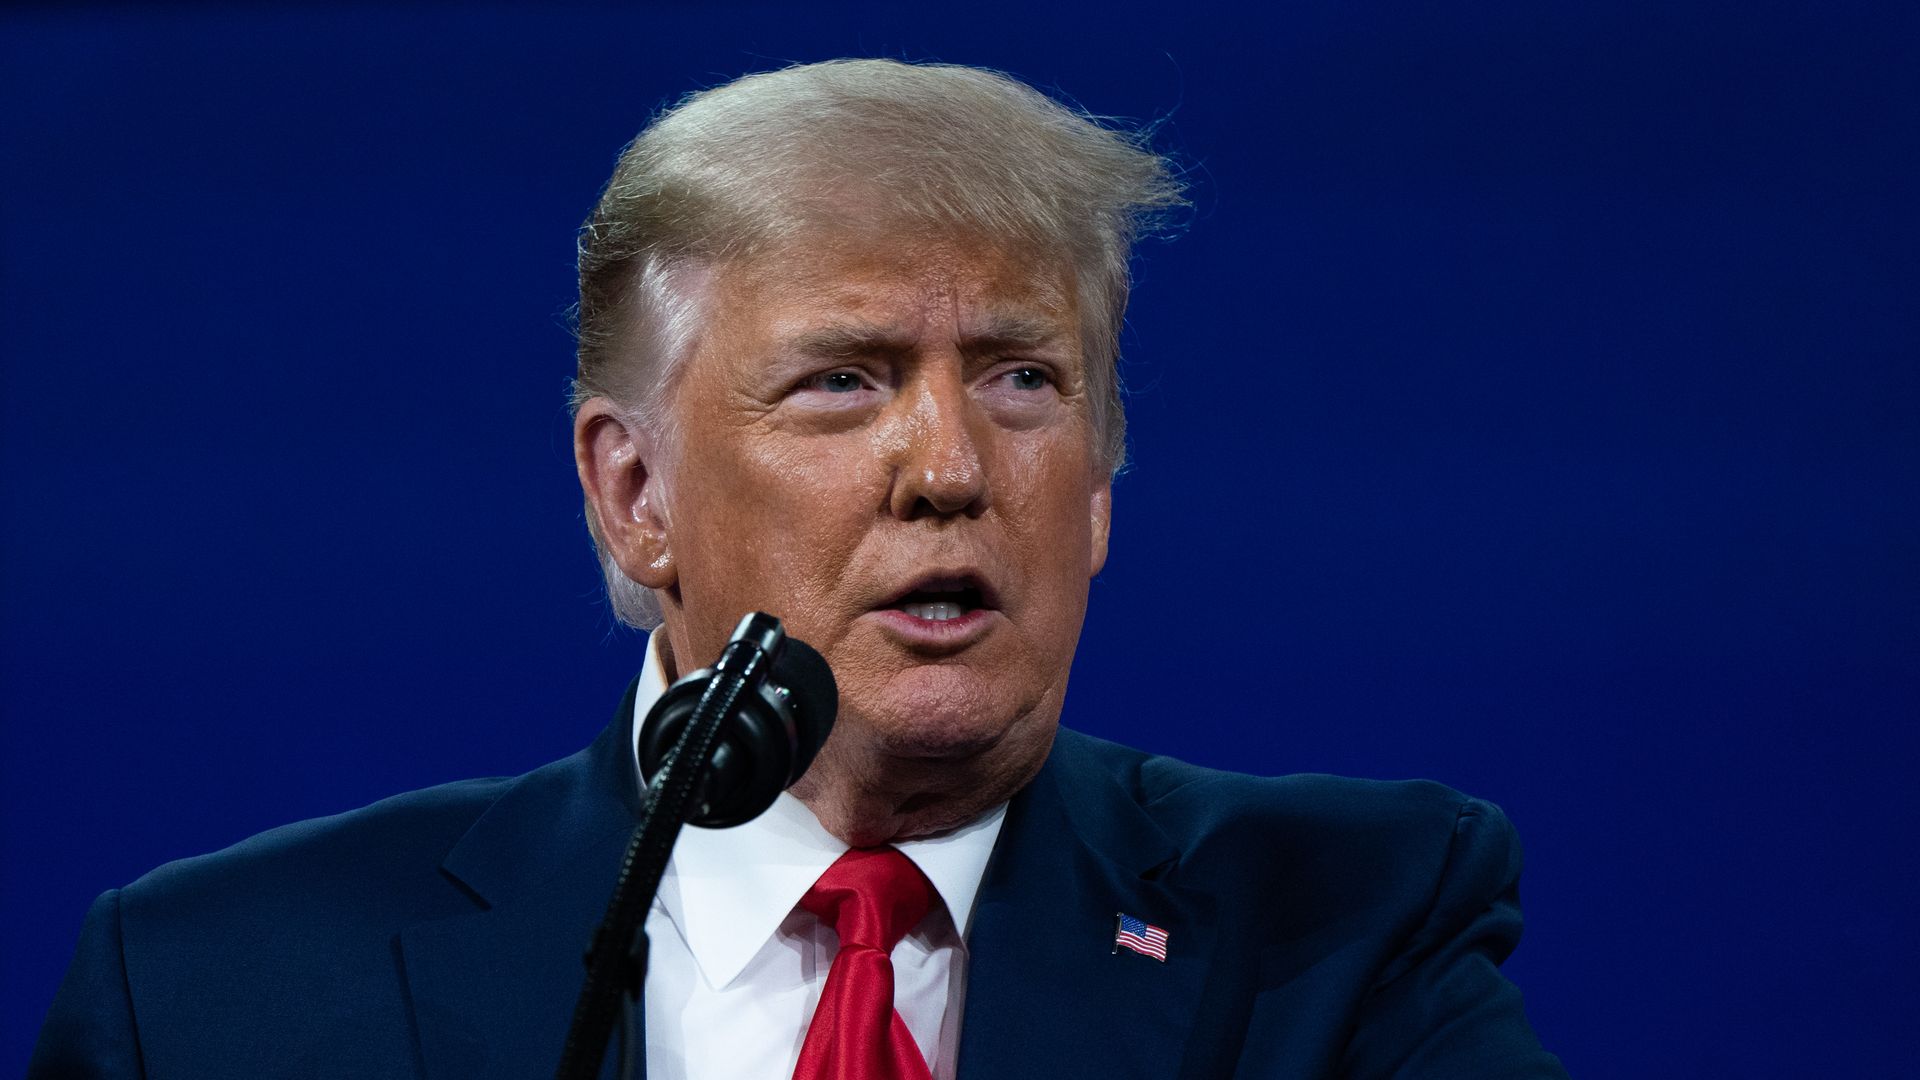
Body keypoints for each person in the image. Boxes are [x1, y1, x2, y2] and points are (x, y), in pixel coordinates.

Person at [31, 59, 1568, 1079]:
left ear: (1100, 488)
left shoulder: (1343, 937)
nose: (951, 467)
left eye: (1024, 380)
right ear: (635, 494)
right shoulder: (221, 997)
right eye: (843, 381)